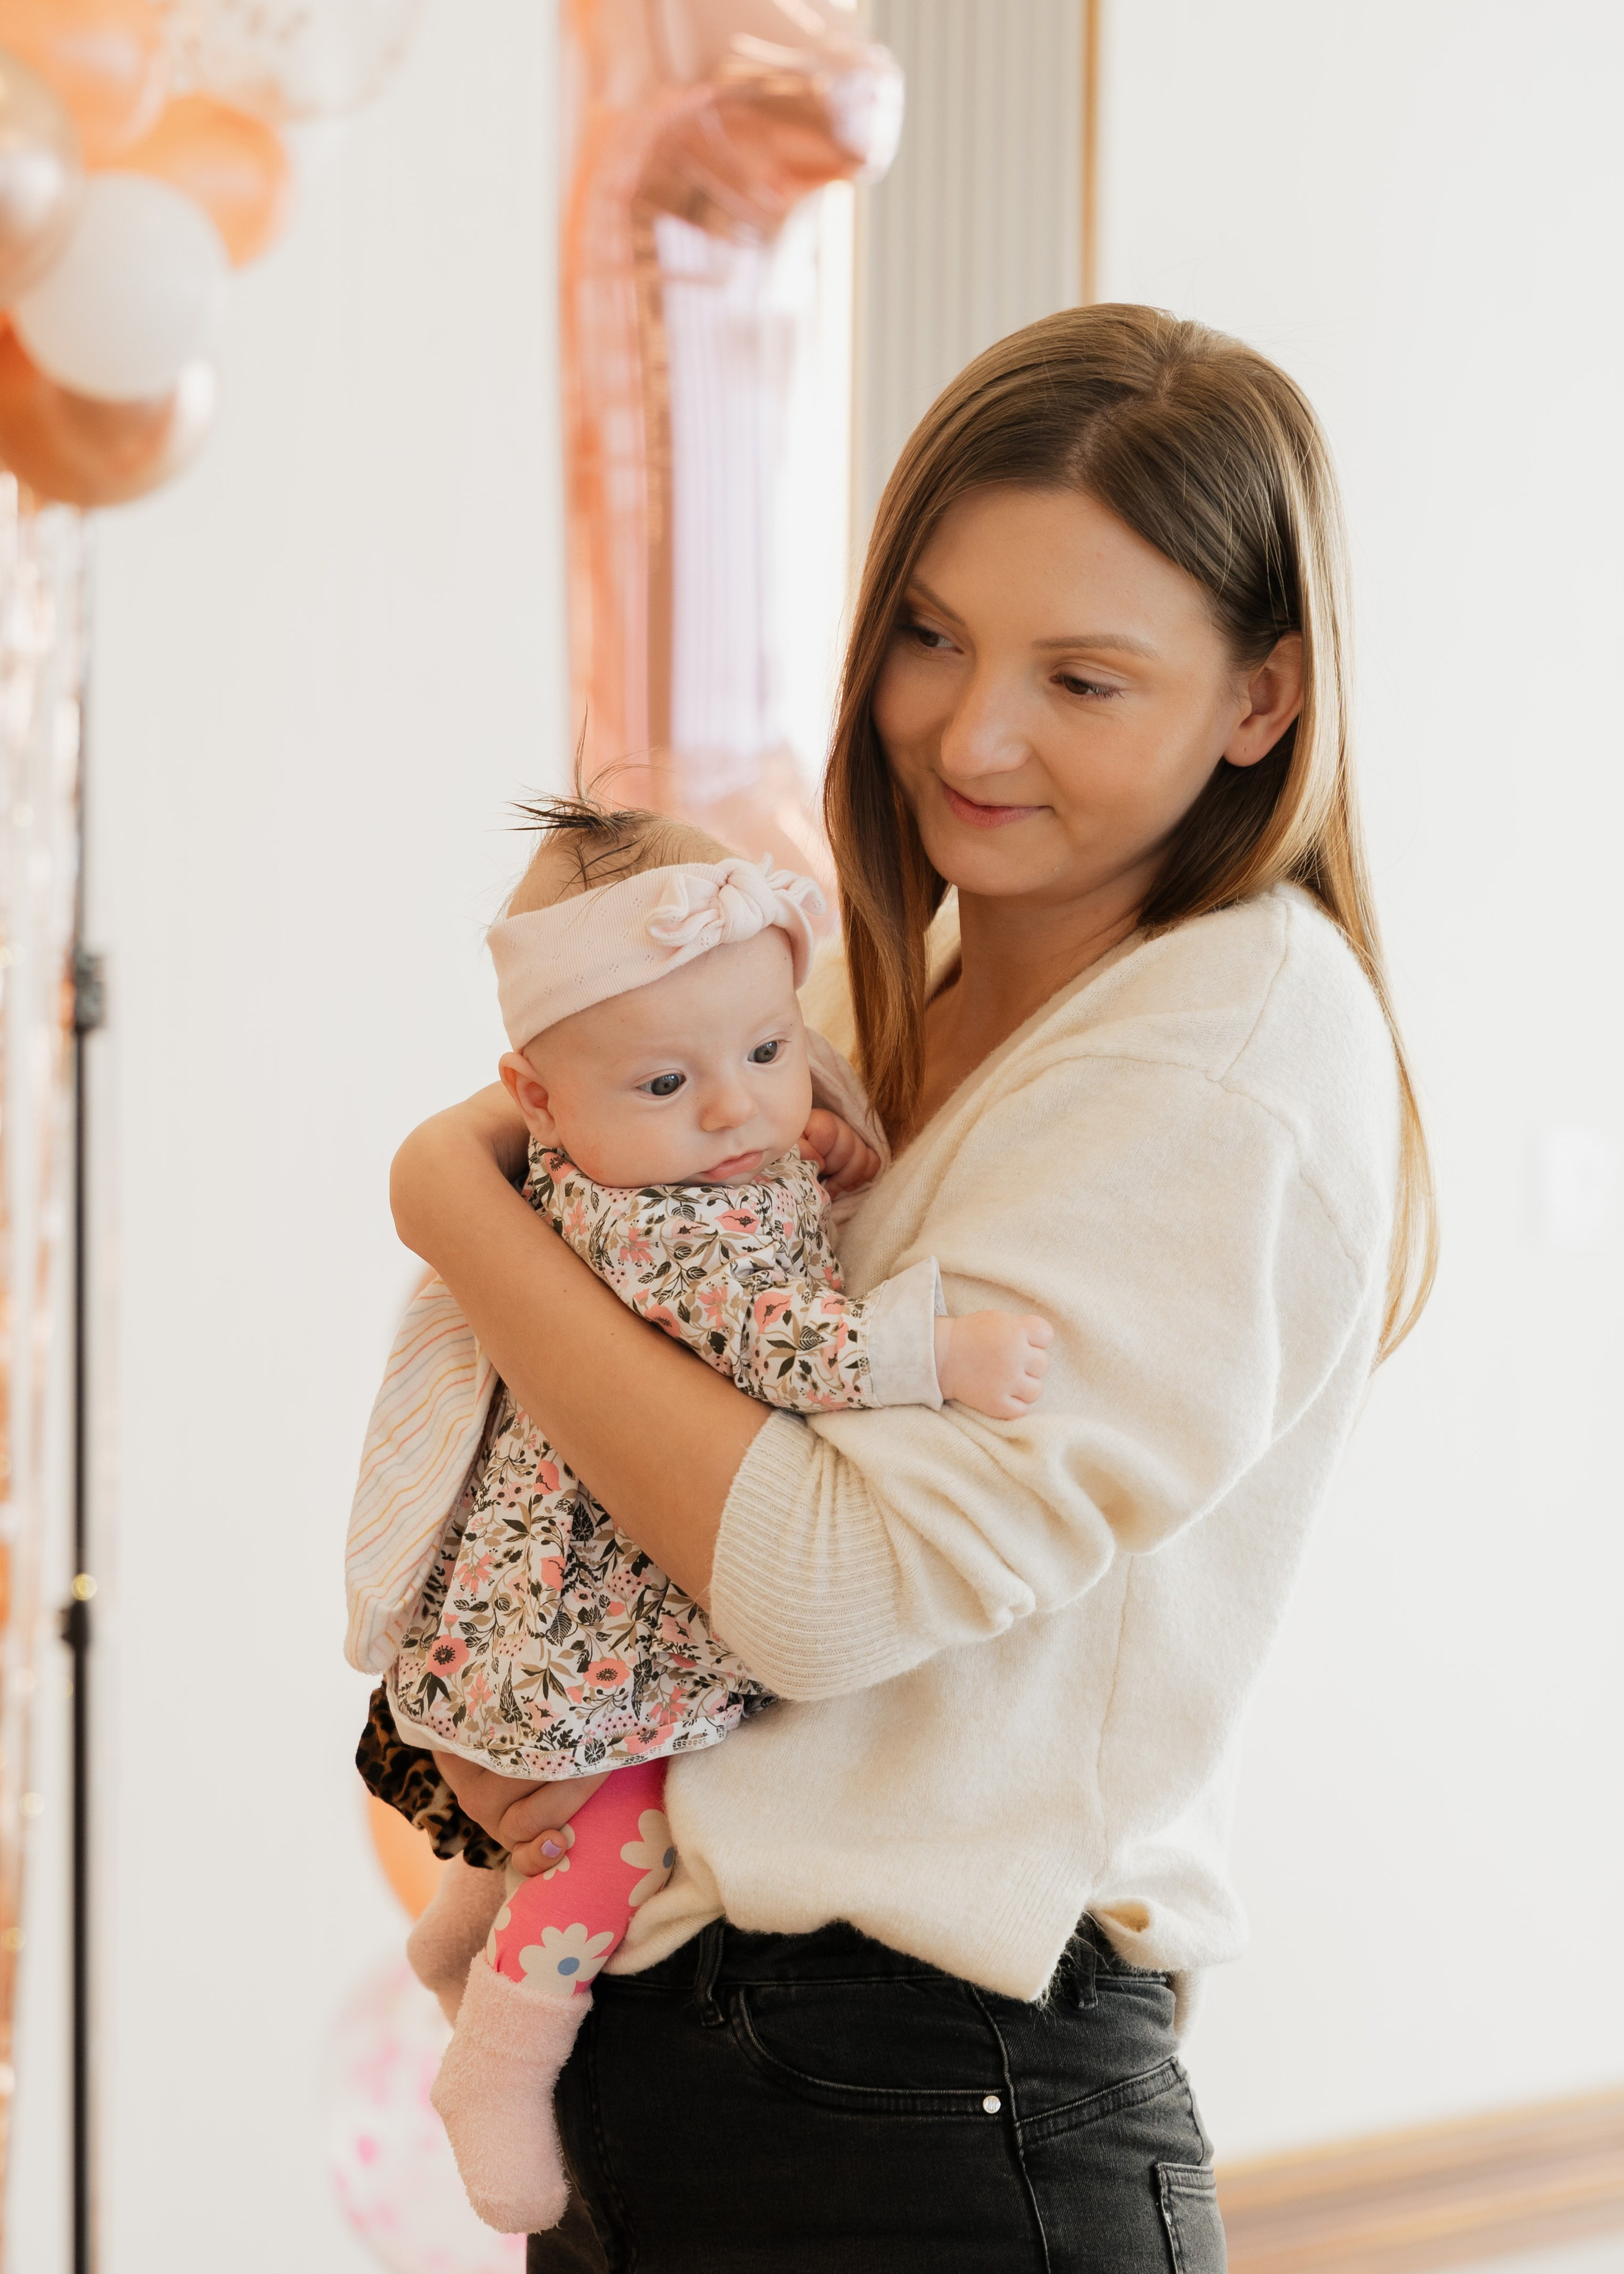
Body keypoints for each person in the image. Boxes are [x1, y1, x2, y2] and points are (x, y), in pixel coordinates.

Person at [387, 304, 1435, 2273]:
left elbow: (824, 1581)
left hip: (929, 2089)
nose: (973, 732)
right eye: (933, 635)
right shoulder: (888, 989)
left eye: (1085, 676)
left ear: (1262, 698)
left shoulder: (1222, 1057)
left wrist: (456, 1203)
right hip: (703, 2050)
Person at [345, 809, 1050, 2233]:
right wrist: (934, 1355)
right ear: (534, 1101)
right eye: (668, 1079)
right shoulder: (647, 1220)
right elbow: (771, 1340)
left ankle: (460, 1930)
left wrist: (822, 1151)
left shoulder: (675, 1161)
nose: (735, 1112)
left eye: (768, 1052)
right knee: (614, 1825)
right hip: (593, 1610)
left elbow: (764, 1178)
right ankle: (501, 2055)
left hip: (585, 1583)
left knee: (566, 1810)